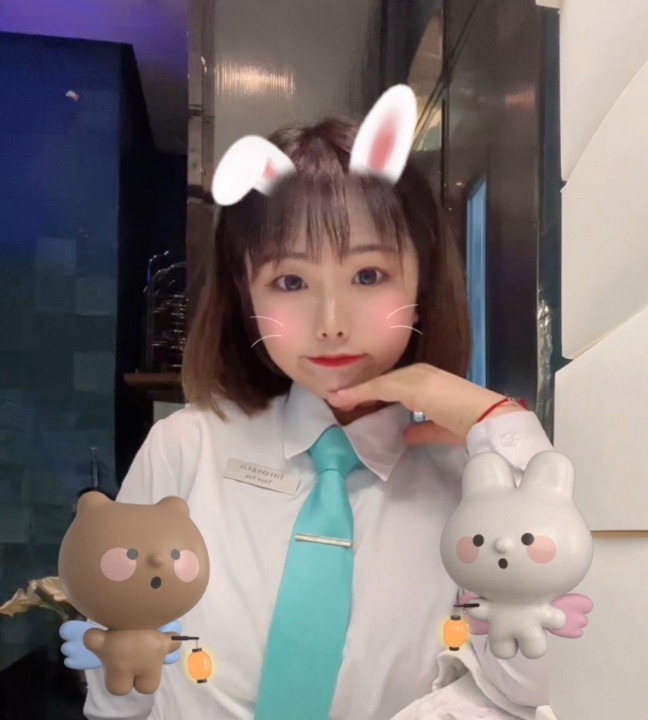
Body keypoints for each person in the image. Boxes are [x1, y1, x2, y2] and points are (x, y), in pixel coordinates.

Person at [83, 86, 553, 720]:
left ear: (423, 278)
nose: (331, 323)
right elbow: (119, 689)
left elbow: (521, 688)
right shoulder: (185, 451)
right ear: (245, 294)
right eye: (290, 281)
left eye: (368, 275)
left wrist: (503, 425)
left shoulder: (471, 483)